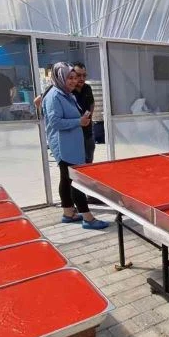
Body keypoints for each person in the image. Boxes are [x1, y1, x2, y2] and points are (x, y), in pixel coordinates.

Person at [42, 62, 108, 229]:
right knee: (76, 181)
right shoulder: (54, 96)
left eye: (74, 77)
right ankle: (88, 218)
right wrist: (78, 121)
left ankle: (68, 213)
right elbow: (55, 122)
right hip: (64, 146)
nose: (73, 81)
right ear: (60, 78)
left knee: (66, 179)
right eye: (69, 78)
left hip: (72, 145)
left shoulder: (65, 94)